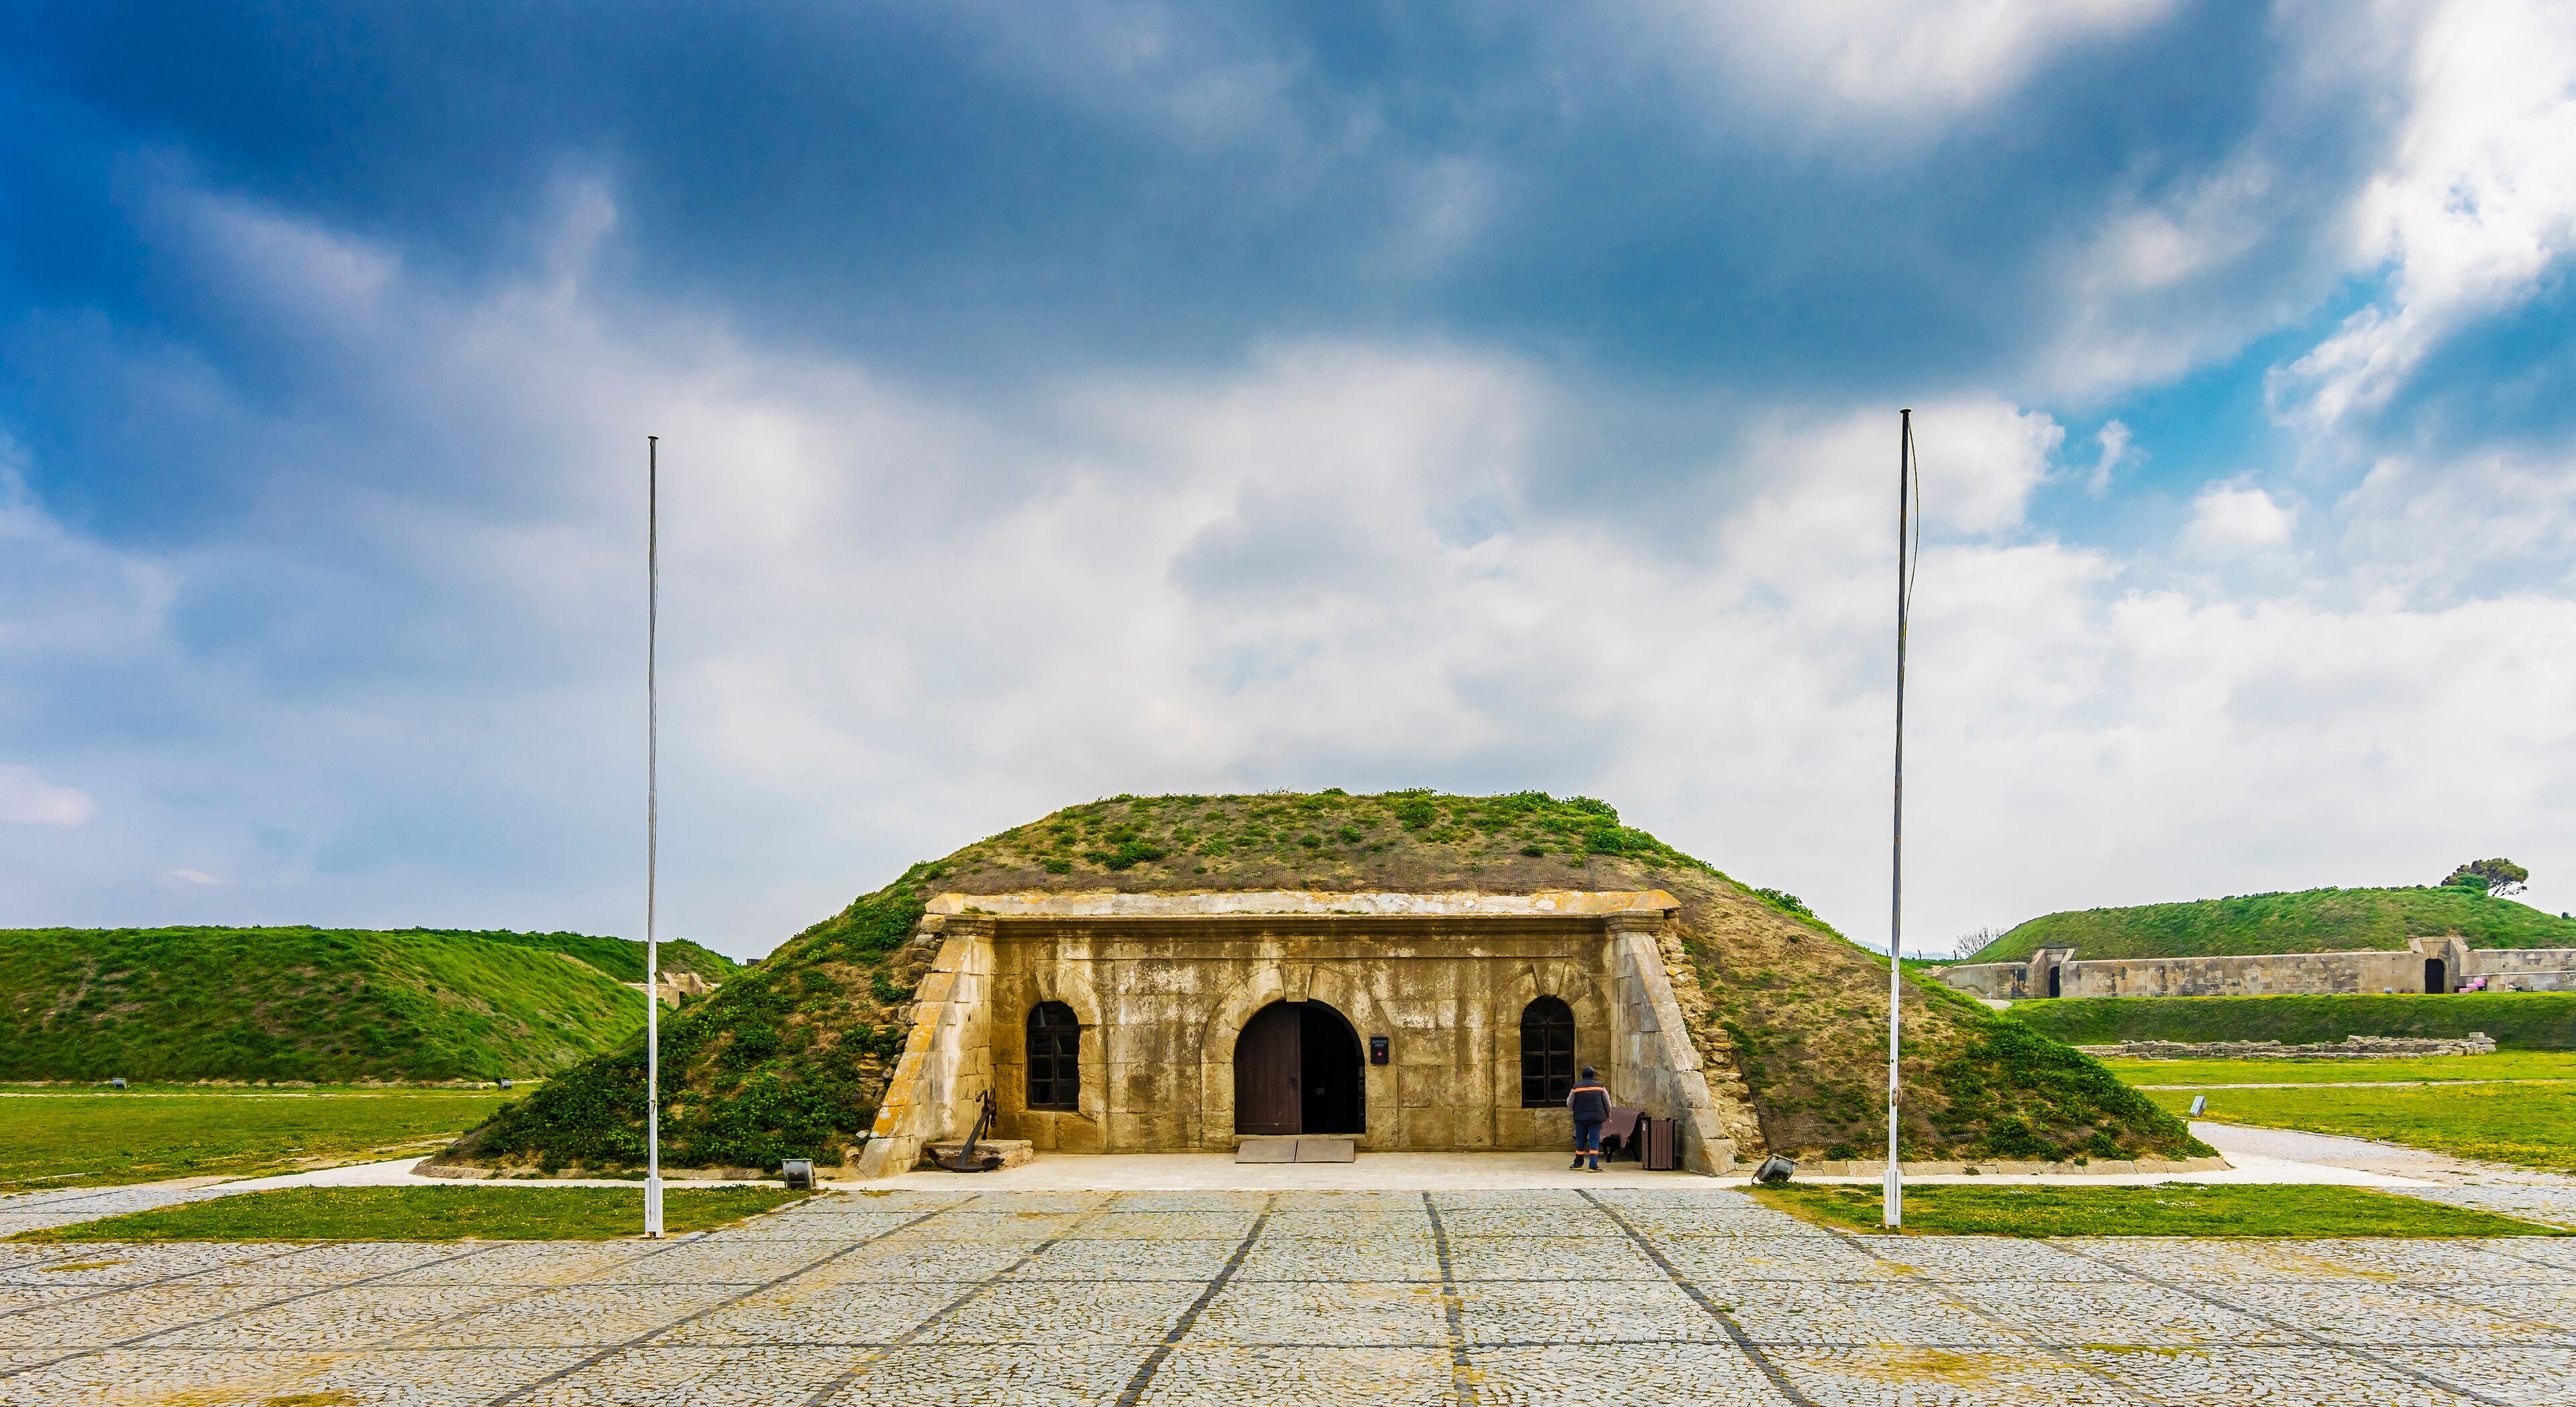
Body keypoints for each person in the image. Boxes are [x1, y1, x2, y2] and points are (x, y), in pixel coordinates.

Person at [1566, 1066, 1610, 1171]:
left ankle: (1578, 1164)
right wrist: (1608, 1114)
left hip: (1580, 1118)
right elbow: (1607, 1102)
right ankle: (1593, 1166)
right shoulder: (1600, 1087)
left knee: (1580, 1141)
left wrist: (1576, 1110)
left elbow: (1569, 1103)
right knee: (1594, 1141)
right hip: (1596, 1119)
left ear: (1583, 1076)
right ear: (1593, 1075)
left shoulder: (1576, 1087)